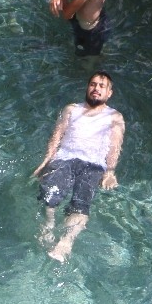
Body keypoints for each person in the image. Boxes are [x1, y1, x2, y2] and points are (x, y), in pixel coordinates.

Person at [31, 71, 126, 263]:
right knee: (49, 196)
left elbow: (115, 146)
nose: (96, 89)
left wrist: (110, 172)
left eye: (101, 86)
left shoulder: (115, 117)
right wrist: (45, 163)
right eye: (93, 84)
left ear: (109, 93)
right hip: (65, 158)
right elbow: (56, 137)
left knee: (80, 206)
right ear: (87, 87)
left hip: (92, 165)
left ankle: (65, 243)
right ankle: (48, 226)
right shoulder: (71, 109)